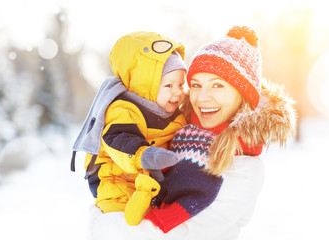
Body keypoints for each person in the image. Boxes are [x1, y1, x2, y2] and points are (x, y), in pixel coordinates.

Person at [122, 26, 297, 237]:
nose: (202, 97)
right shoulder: (176, 133)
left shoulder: (247, 167)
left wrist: (105, 225)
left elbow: (180, 234)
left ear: (242, 94)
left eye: (217, 86)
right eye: (196, 85)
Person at [71, 31, 188, 226]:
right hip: (114, 173)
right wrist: (144, 155)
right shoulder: (123, 108)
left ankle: (143, 201)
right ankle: (131, 216)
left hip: (149, 176)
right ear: (146, 84)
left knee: (162, 213)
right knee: (117, 210)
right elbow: (118, 139)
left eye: (181, 85)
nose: (177, 92)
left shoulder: (176, 112)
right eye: (169, 85)